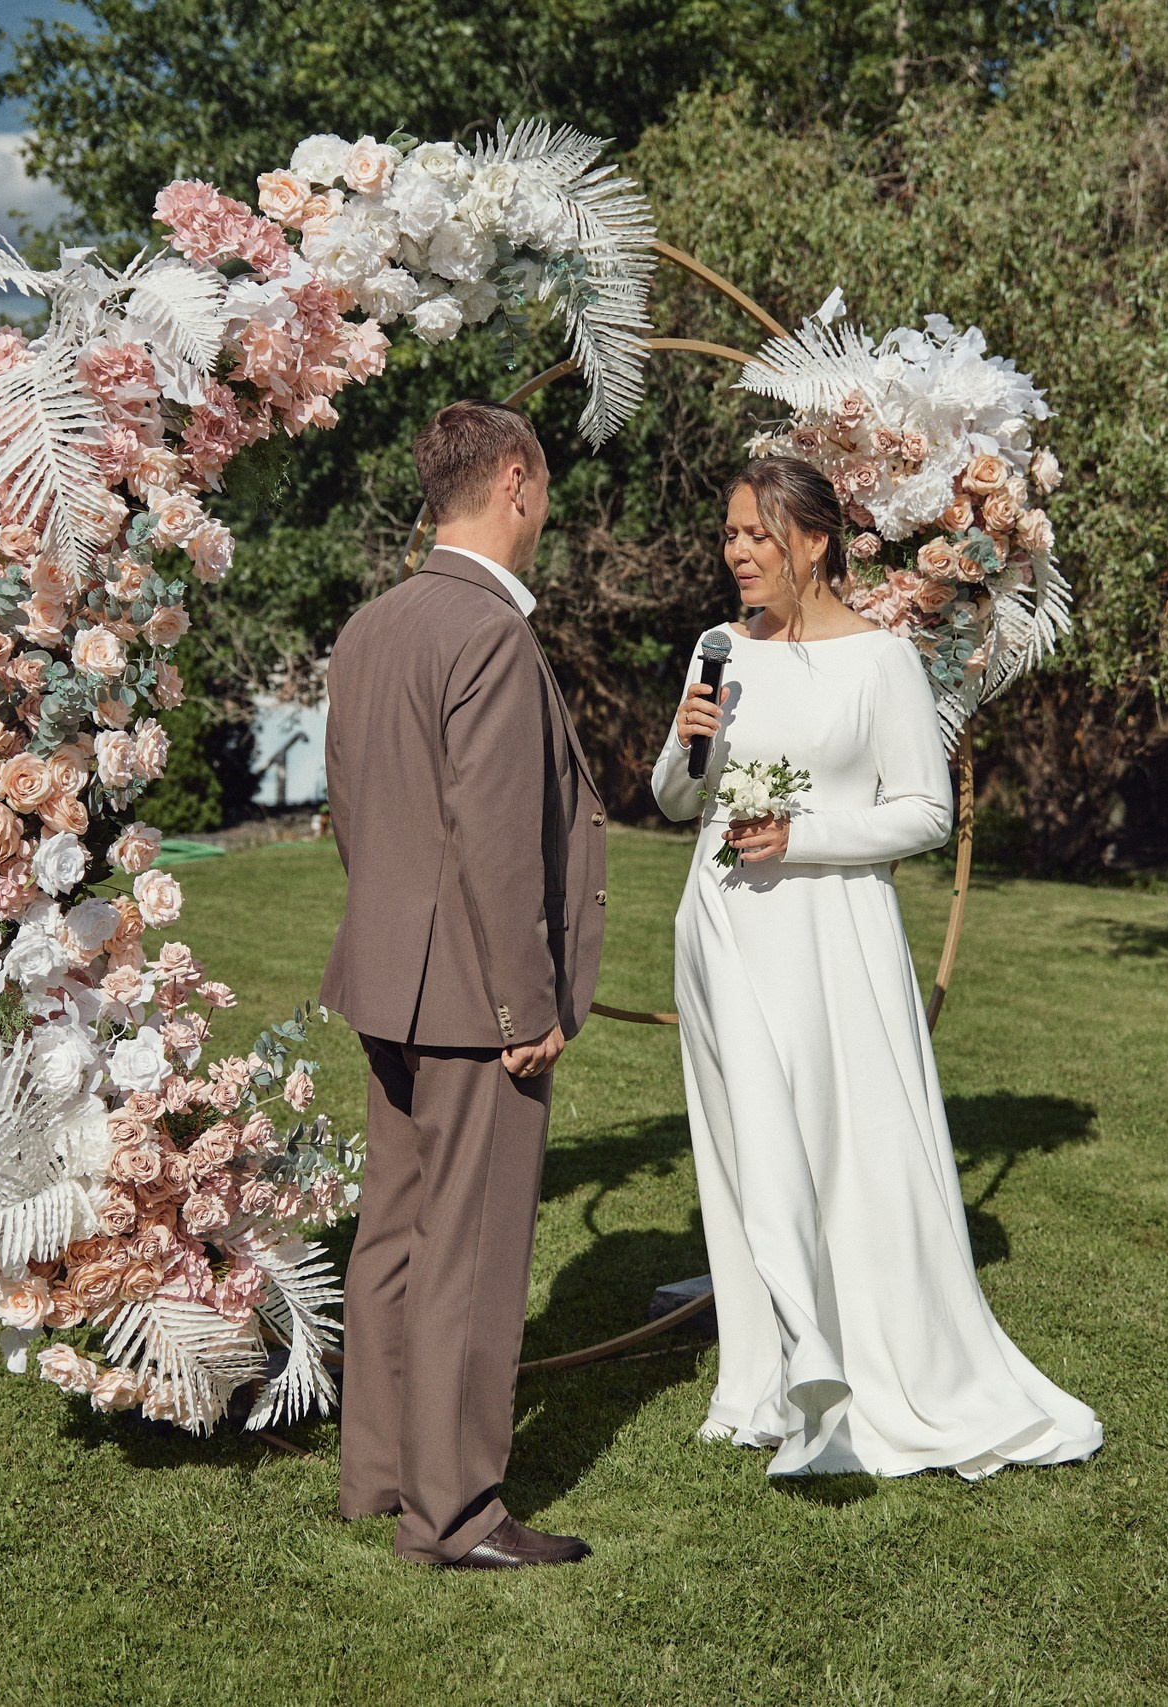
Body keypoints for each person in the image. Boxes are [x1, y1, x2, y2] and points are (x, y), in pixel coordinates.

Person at [653, 456, 1103, 1479]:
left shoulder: (881, 662)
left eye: (756, 535)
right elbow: (676, 803)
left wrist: (803, 835)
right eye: (728, 534)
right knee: (745, 1148)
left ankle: (858, 1359)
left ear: (814, 542)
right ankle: (766, 1373)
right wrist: (686, 749)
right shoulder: (715, 649)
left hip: (831, 937)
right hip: (721, 931)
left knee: (834, 1140)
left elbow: (924, 813)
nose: (736, 553)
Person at [320, 400, 608, 1568]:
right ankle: (454, 1516)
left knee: (392, 1233)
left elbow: (354, 816)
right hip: (472, 1000)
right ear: (513, 483)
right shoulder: (489, 635)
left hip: (387, 978)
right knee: (470, 1251)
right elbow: (494, 843)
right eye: (543, 490)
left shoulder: (369, 627)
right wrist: (522, 1009)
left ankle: (380, 1475)